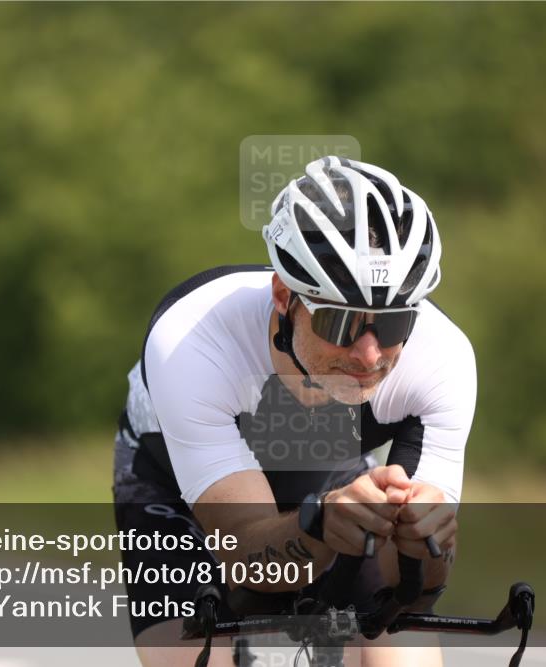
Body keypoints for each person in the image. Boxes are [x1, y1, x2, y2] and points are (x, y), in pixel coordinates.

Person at [113, 156, 476, 666]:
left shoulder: (443, 360)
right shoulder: (191, 341)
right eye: (341, 323)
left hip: (328, 476)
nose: (369, 355)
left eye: (393, 325)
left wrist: (426, 543)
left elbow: (413, 591)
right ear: (284, 296)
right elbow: (248, 559)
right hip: (172, 482)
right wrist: (320, 529)